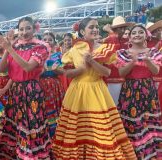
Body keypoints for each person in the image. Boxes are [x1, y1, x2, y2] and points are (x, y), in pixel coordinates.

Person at [53, 17, 136, 159]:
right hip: (77, 90)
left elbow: (107, 73)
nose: (95, 29)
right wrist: (61, 71)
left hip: (97, 89)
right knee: (77, 129)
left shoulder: (104, 48)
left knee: (101, 130)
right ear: (82, 32)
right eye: (91, 27)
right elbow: (70, 74)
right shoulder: (74, 50)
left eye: (96, 27)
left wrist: (92, 62)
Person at [0, 16, 52, 159]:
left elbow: (28, 67)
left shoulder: (41, 47)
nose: (24, 32)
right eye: (21, 29)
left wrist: (10, 48)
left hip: (32, 90)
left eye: (28, 28)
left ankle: (32, 154)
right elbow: (2, 69)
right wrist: (8, 50)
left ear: (34, 29)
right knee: (16, 124)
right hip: (16, 90)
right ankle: (19, 153)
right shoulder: (15, 46)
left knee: (31, 124)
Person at [116, 24, 162, 159]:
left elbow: (156, 71)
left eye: (140, 32)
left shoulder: (153, 52)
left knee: (149, 120)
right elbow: (121, 73)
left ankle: (151, 153)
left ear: (146, 35)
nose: (137, 34)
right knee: (132, 122)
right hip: (129, 90)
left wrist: (147, 60)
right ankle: (133, 153)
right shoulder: (123, 53)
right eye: (134, 32)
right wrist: (132, 62)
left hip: (148, 89)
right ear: (129, 37)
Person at [102, 16, 135, 105]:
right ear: (115, 29)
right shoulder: (108, 40)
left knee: (124, 105)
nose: (123, 30)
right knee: (113, 104)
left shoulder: (125, 41)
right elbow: (116, 52)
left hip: (126, 78)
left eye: (124, 28)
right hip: (113, 78)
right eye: (120, 28)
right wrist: (111, 33)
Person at [40, 31, 65, 138]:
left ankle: (57, 135)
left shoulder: (58, 55)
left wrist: (56, 69)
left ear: (54, 42)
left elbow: (62, 71)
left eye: (50, 39)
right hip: (42, 87)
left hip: (55, 87)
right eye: (45, 39)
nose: (47, 42)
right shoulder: (37, 55)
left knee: (57, 111)